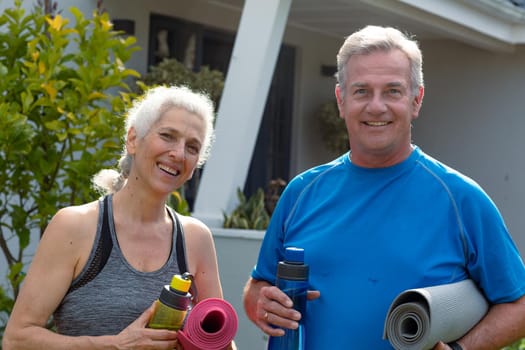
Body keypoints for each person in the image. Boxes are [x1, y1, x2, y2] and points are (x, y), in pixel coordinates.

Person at [243, 25, 525, 349]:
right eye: (362, 91)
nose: (376, 106)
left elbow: (519, 304)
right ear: (341, 99)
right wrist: (259, 301)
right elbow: (258, 285)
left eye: (393, 91)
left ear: (416, 100)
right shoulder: (301, 192)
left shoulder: (462, 200)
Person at [3, 85, 236, 350]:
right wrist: (114, 345)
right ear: (133, 139)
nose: (179, 153)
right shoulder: (75, 227)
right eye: (168, 136)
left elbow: (221, 344)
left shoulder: (195, 239)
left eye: (192, 147)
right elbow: (16, 339)